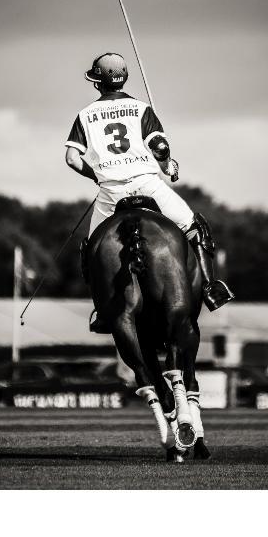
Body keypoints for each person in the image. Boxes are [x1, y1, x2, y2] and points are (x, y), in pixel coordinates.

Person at [64, 52, 234, 332]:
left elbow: (72, 158)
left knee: (92, 250)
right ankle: (210, 288)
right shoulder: (142, 109)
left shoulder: (84, 116)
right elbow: (160, 147)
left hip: (111, 193)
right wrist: (168, 167)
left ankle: (104, 311)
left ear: (97, 82)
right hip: (148, 185)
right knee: (194, 227)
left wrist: (98, 176)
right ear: (123, 79)